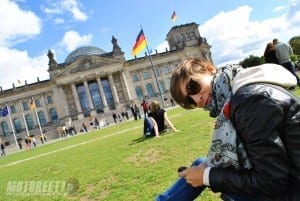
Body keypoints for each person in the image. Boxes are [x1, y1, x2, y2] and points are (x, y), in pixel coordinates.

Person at [156, 58, 300, 201]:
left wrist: (207, 177)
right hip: (289, 182)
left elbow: (272, 181)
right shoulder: (240, 89)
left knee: (204, 168)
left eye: (192, 87)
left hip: (291, 191)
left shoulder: (247, 101)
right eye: (189, 101)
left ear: (209, 70)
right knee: (202, 164)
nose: (197, 99)